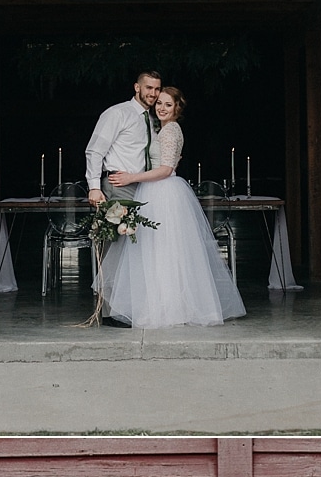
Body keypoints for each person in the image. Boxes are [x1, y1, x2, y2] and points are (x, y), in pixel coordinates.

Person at [100, 86, 246, 328]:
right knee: (159, 252)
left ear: (177, 107)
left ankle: (168, 308)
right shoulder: (163, 130)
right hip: (158, 191)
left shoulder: (170, 131)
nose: (162, 108)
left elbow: (166, 169)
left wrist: (131, 178)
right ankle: (162, 303)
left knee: (163, 251)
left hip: (163, 191)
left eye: (168, 104)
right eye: (159, 103)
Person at [85, 70, 163, 205]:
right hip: (119, 184)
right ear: (137, 87)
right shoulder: (117, 113)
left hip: (144, 186)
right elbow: (95, 150)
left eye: (157, 89)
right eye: (149, 88)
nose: (153, 93)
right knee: (121, 226)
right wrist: (94, 187)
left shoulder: (152, 118)